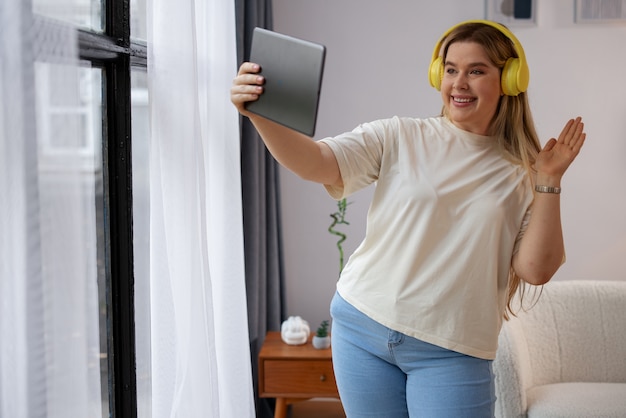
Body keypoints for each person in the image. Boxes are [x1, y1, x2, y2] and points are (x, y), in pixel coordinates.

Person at [231, 20, 586, 417]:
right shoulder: (399, 136)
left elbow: (535, 270)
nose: (459, 82)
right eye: (450, 69)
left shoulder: (525, 172)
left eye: (476, 70)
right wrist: (259, 115)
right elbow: (317, 163)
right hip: (361, 325)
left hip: (451, 351)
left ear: (510, 80)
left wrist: (549, 180)